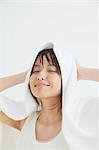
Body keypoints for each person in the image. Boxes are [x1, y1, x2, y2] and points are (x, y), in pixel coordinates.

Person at [0, 43, 99, 150]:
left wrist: (82, 72)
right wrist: (25, 75)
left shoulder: (82, 115)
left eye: (51, 70)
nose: (40, 76)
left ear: (66, 77)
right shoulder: (24, 121)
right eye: (36, 71)